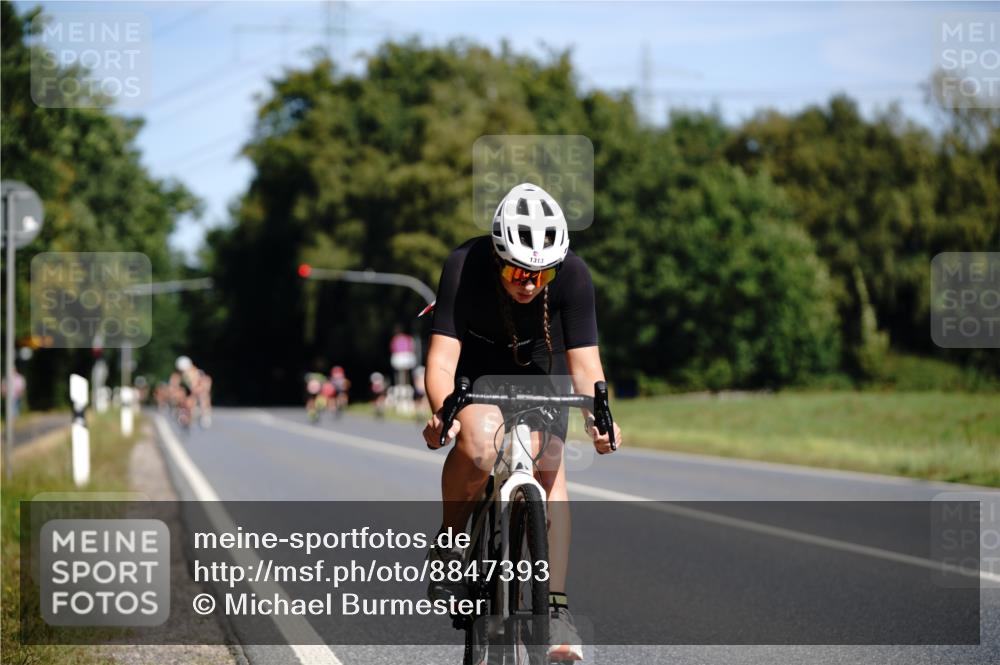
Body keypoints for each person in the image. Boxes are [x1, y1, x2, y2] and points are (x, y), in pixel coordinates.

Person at [421, 183, 623, 661]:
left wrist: (600, 418)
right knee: (478, 445)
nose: (529, 284)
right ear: (497, 257)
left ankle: (556, 609)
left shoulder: (574, 275)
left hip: (539, 369)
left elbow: (586, 367)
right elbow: (442, 361)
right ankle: (451, 543)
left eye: (541, 273)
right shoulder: (465, 265)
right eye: (517, 271)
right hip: (475, 368)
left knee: (550, 466)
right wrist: (444, 414)